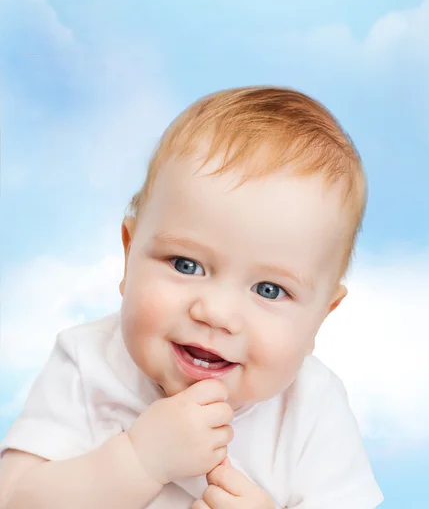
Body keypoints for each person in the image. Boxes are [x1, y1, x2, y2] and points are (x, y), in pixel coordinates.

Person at [0, 86, 384, 508]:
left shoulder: (313, 411)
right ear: (129, 256)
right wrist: (138, 461)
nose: (216, 313)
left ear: (320, 319)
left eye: (269, 290)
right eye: (186, 264)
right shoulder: (88, 364)